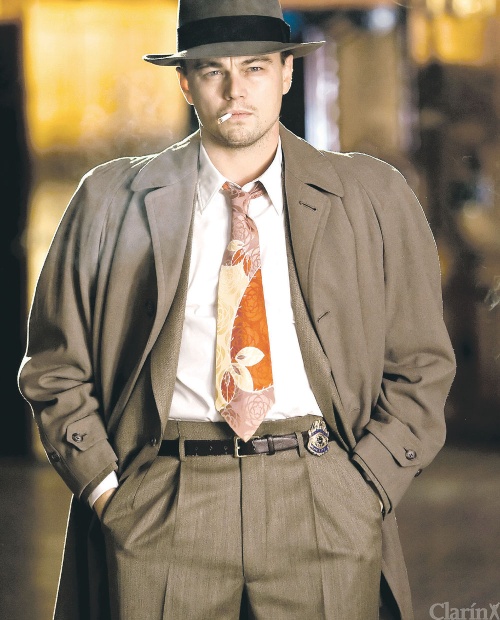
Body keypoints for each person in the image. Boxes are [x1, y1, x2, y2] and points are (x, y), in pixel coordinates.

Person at [18, 1, 456, 618]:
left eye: (254, 68)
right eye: (212, 71)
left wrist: (368, 486)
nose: (235, 91)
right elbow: (54, 366)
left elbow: (421, 364)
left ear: (286, 72)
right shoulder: (110, 201)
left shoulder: (372, 196)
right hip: (165, 501)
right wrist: (107, 492)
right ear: (184, 81)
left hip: (323, 494)